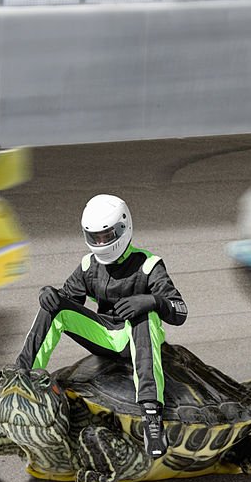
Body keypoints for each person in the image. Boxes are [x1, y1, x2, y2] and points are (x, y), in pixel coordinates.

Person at [10, 195, 188, 457]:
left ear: (124, 227)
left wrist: (152, 301)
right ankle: (18, 384)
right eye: (96, 238)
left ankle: (151, 417)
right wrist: (51, 295)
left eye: (108, 235)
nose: (102, 243)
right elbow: (71, 300)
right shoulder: (88, 266)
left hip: (137, 339)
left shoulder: (149, 265)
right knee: (53, 306)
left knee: (145, 316)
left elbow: (180, 311)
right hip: (106, 336)